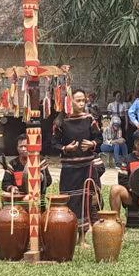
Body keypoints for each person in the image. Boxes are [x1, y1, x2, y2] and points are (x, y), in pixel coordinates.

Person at [51, 88, 104, 247]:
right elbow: (53, 144)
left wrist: (92, 144)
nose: (82, 104)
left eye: (83, 100)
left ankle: (83, 238)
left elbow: (99, 139)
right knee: (70, 200)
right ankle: (68, 235)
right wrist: (66, 148)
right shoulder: (61, 122)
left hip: (86, 166)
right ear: (70, 101)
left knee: (88, 200)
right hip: (69, 167)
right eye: (78, 100)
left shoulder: (89, 119)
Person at [1, 133, 53, 207]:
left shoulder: (40, 161)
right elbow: (5, 184)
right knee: (4, 196)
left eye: (25, 146)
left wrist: (40, 176)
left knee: (27, 199)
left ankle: (21, 217)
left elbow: (48, 181)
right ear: (17, 148)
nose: (23, 149)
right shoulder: (13, 163)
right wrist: (11, 188)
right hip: (17, 194)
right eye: (20, 146)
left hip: (34, 194)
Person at [110, 128, 139, 219]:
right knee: (115, 189)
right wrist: (131, 188)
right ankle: (116, 221)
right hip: (132, 194)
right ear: (136, 144)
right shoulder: (128, 159)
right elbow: (122, 179)